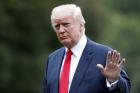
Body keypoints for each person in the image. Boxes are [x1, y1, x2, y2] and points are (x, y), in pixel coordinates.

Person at [43, 4, 131, 93]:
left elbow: (126, 90)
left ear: (81, 25)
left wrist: (114, 81)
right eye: (57, 26)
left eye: (66, 24)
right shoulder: (52, 59)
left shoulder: (106, 55)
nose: (61, 30)